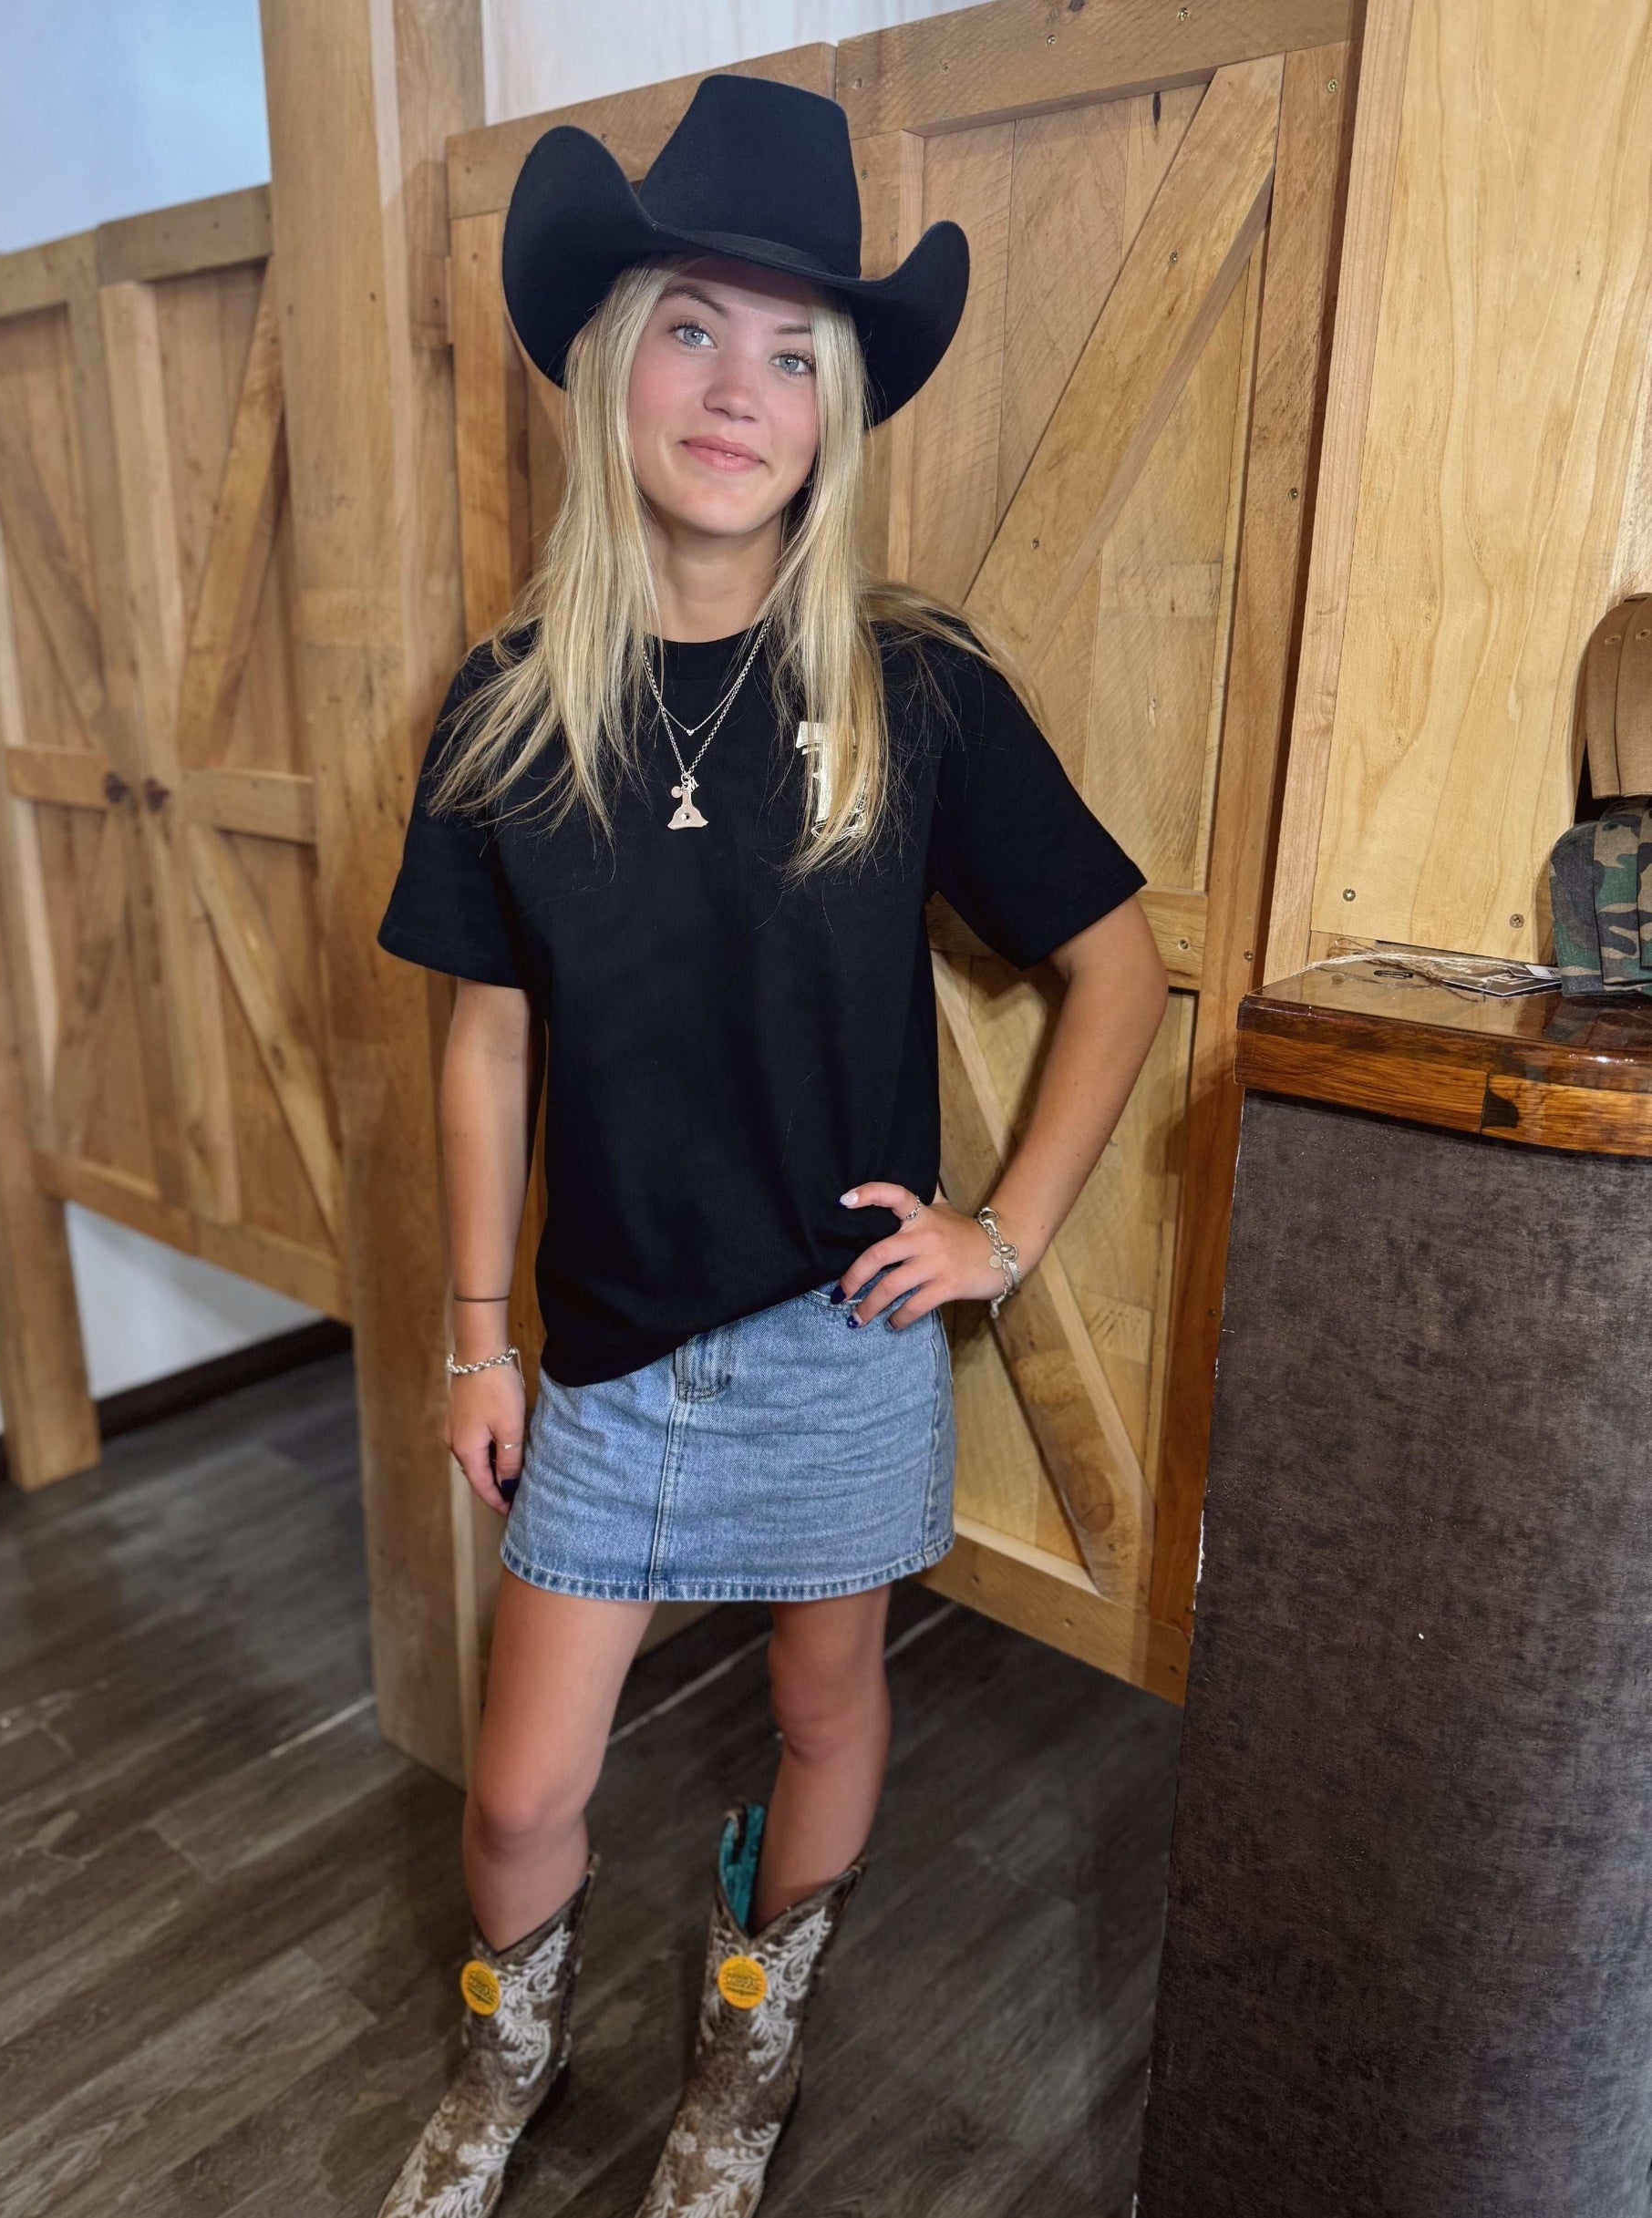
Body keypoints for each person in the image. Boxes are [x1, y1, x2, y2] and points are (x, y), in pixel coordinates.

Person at [370, 72, 1170, 2218]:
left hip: (834, 1338)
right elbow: (485, 1033)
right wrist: (473, 1332)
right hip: (608, 1356)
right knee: (526, 1786)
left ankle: (745, 2053)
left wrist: (1003, 1226)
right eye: (698, 328)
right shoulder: (509, 698)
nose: (743, 387)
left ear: (837, 412)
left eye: (795, 348)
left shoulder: (919, 689)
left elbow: (1116, 960)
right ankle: (503, 2054)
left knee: (828, 1712)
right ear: (615, 358)